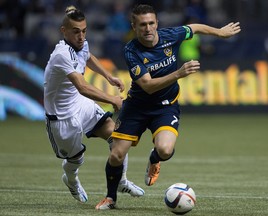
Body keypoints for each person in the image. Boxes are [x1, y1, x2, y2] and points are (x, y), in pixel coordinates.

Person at [95, 4, 241, 210]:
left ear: (157, 23)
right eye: (142, 25)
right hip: (136, 107)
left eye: (151, 23)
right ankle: (111, 198)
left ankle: (154, 159)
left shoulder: (171, 35)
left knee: (164, 149)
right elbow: (147, 86)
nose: (147, 28)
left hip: (165, 107)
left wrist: (220, 32)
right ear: (134, 27)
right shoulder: (131, 50)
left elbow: (194, 27)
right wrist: (178, 74)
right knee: (116, 155)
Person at [44, 5, 144, 204]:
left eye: (84, 31)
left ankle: (121, 180)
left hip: (80, 105)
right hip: (62, 117)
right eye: (76, 32)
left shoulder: (80, 44)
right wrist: (113, 99)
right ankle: (71, 180)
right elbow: (82, 86)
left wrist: (108, 76)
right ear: (64, 32)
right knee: (75, 159)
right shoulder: (61, 55)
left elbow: (88, 57)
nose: (81, 36)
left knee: (117, 136)